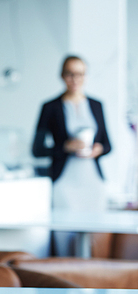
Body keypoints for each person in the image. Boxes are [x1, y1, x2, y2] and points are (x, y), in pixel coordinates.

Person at [32, 55, 111, 256]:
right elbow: (37, 149)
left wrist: (98, 149)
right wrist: (65, 146)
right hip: (65, 183)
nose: (75, 79)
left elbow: (108, 145)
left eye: (80, 74)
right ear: (62, 75)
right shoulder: (50, 107)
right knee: (64, 240)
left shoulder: (96, 105)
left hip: (93, 183)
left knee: (95, 241)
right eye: (70, 74)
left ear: (85, 76)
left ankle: (94, 284)